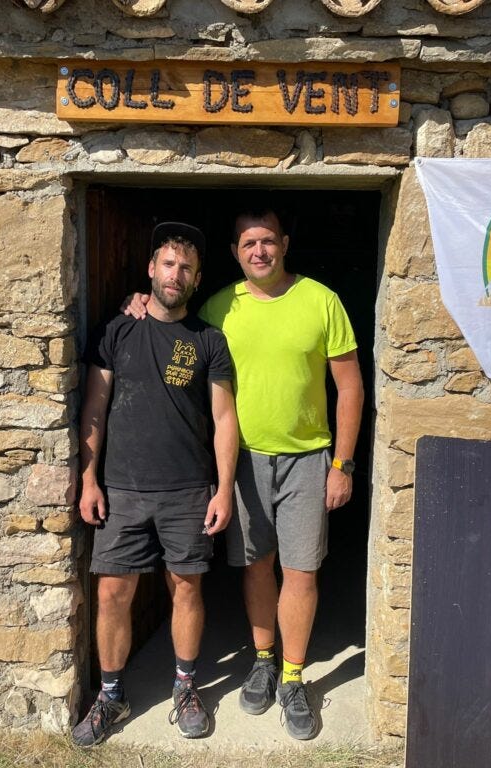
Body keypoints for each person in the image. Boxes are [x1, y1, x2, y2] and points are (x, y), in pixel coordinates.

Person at [126, 208, 364, 740]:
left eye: (267, 241)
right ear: (235, 252)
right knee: (257, 566)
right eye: (248, 244)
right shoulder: (217, 306)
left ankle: (294, 678)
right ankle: (262, 660)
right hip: (244, 460)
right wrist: (136, 300)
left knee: (301, 571)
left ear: (284, 242)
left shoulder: (321, 300)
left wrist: (343, 464)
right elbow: (171, 317)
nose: (259, 251)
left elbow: (349, 386)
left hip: (309, 456)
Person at [72, 222, 238, 747]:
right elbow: (94, 407)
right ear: (151, 269)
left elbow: (225, 417)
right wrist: (88, 479)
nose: (176, 274)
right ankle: (111, 696)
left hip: (188, 489)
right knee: (113, 593)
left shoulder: (209, 340)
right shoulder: (117, 330)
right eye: (168, 264)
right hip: (120, 489)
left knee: (186, 589)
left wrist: (223, 488)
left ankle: (186, 688)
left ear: (197, 279)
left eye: (186, 268)